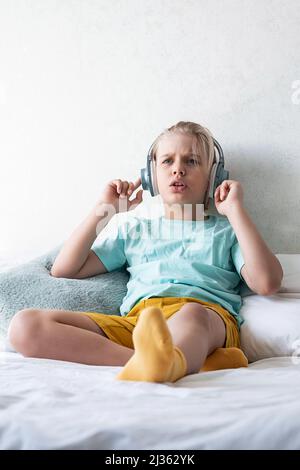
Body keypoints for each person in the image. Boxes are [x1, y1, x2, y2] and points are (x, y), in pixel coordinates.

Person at [8, 121, 283, 383]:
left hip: (205, 319)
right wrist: (105, 210)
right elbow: (64, 269)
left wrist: (236, 211)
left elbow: (267, 283)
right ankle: (153, 361)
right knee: (25, 325)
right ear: (151, 175)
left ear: (214, 176)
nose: (178, 170)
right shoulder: (134, 230)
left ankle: (170, 360)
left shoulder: (227, 230)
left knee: (192, 315)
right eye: (167, 161)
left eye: (192, 161)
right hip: (141, 324)